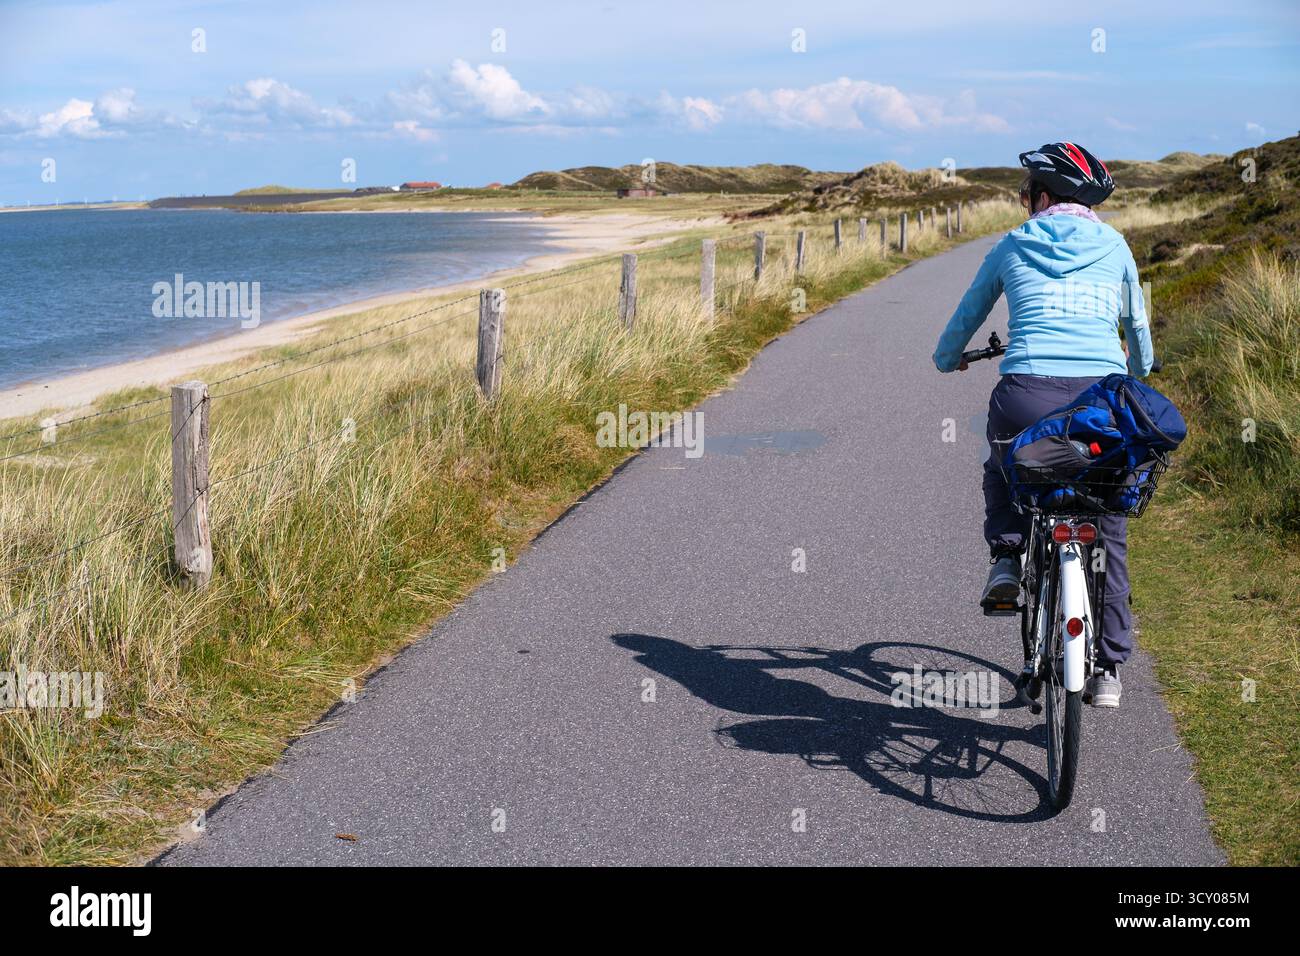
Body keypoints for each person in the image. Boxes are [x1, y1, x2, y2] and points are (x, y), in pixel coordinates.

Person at [932, 142, 1154, 708]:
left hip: (1025, 396)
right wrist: (1138, 373)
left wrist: (948, 357)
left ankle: (1007, 558)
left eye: (1028, 192)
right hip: (1102, 402)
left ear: (1046, 196)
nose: (1024, 202)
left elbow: (967, 316)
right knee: (1106, 523)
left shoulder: (1013, 244)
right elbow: (1139, 332)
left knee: (1003, 465)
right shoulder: (1117, 246)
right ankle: (1107, 668)